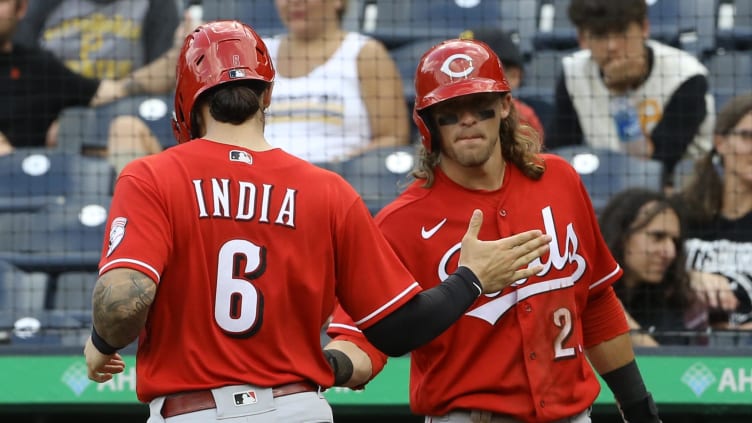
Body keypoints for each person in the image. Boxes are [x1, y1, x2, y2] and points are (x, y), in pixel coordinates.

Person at [81, 20, 553, 423]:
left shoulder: (152, 175)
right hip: (299, 408)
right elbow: (397, 331)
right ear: (266, 94)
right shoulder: (327, 189)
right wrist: (470, 280)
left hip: (197, 410)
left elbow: (123, 304)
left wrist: (102, 343)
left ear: (188, 98)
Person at [326, 38, 662, 423]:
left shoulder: (560, 181)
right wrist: (331, 364)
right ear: (429, 122)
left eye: (477, 104)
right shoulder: (401, 222)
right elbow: (363, 335)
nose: (466, 118)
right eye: (449, 110)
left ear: (504, 105)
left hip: (572, 414)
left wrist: (637, 406)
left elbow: (597, 299)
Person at [547, 0, 714, 187]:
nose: (612, 46)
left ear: (644, 28)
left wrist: (621, 99)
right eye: (600, 35)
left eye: (622, 31)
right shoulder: (574, 73)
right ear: (583, 39)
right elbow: (559, 153)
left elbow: (653, 165)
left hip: (679, 188)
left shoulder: (686, 75)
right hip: (605, 184)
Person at [262, 0, 410, 163]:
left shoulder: (367, 53)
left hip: (340, 179)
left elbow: (393, 137)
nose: (294, 2)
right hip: (262, 181)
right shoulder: (258, 53)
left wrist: (342, 167)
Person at [0, 0, 127, 153]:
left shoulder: (39, 66)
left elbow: (105, 92)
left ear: (21, 8)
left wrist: (69, 121)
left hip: (36, 170)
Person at [598, 188, 718, 347]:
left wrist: (621, 321)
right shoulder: (582, 291)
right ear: (622, 235)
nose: (670, 252)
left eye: (674, 241)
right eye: (658, 237)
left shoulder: (672, 301)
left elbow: (670, 367)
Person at [680, 92, 752, 333]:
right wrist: (688, 278)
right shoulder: (681, 212)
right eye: (747, 136)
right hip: (679, 348)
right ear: (720, 143)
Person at [459, 27, 545, 144]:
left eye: (483, 69)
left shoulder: (522, 117)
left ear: (514, 76)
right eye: (464, 67)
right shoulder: (443, 114)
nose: (470, 76)